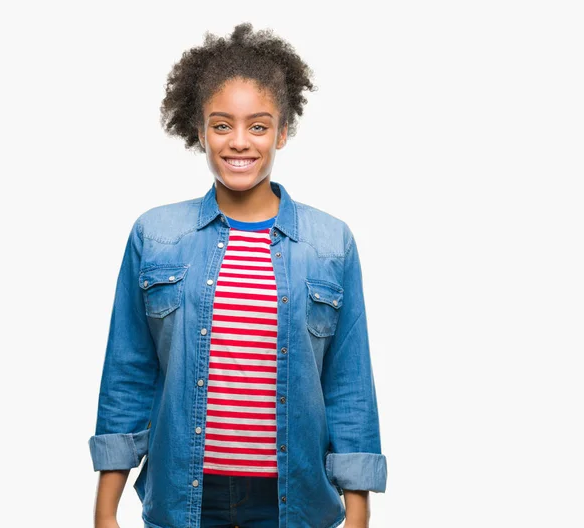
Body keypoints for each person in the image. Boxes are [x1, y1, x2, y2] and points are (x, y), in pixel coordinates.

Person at [88, 22, 387, 528]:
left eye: (259, 125)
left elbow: (348, 384)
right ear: (199, 130)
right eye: (222, 125)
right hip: (185, 499)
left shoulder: (330, 243)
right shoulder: (156, 234)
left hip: (293, 503)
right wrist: (104, 511)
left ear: (283, 132)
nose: (239, 143)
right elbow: (128, 372)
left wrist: (357, 513)